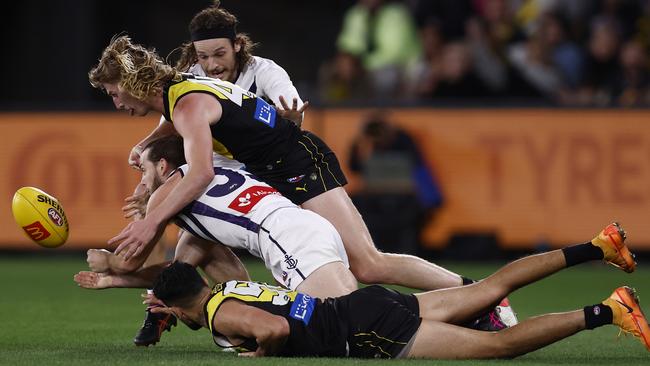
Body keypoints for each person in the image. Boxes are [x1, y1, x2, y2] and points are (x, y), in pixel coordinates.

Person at [88, 34, 516, 334]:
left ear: (129, 84)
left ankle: (484, 298)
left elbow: (201, 173)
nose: (116, 103)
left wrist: (150, 222)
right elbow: (177, 125)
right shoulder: (180, 92)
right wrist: (145, 147)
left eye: (113, 93)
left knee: (369, 264)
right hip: (273, 167)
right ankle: (196, 308)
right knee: (197, 243)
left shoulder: (187, 104)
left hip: (299, 162)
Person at [150, 223, 648, 359]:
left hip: (368, 330)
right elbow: (269, 311)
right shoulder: (227, 286)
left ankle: (609, 312)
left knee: (499, 346)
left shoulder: (217, 313)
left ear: (178, 305)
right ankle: (599, 245)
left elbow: (274, 329)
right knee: (493, 285)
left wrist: (259, 353)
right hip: (366, 302)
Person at [121, 1, 310, 345]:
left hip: (268, 171)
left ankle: (164, 304)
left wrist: (292, 117)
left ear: (238, 45)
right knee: (192, 233)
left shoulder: (265, 71)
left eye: (219, 54)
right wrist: (143, 146)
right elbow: (169, 124)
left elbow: (290, 108)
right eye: (202, 56)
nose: (211, 64)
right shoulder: (192, 77)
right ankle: (176, 309)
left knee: (194, 233)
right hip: (222, 172)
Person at [75, 135, 357, 298]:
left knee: (343, 323)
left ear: (163, 166)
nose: (142, 184)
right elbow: (178, 271)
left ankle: (401, 317)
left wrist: (107, 260)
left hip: (286, 239)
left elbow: (129, 263)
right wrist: (114, 280)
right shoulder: (218, 178)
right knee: (235, 319)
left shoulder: (168, 192)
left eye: (144, 173)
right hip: (306, 228)